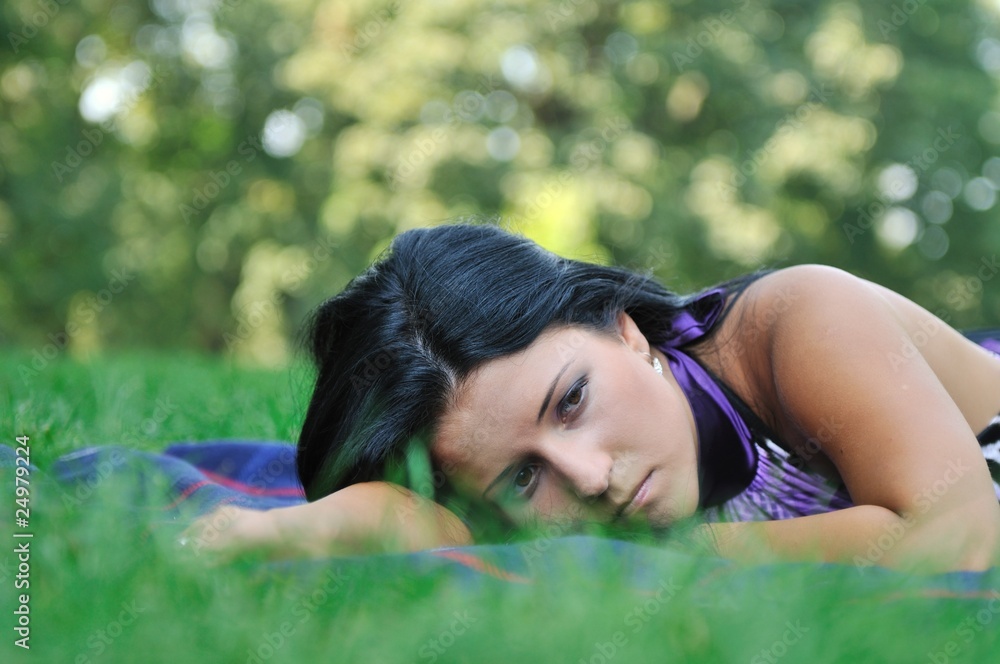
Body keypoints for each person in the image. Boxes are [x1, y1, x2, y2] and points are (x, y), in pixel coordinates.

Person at [186, 221, 1000, 572]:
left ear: (623, 331)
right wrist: (265, 531)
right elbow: (420, 521)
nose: (588, 477)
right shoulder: (540, 515)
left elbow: (961, 541)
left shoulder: (800, 323)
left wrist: (642, 557)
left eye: (570, 401)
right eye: (522, 477)